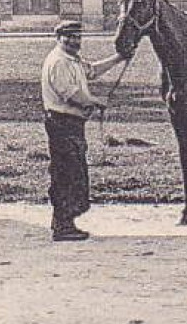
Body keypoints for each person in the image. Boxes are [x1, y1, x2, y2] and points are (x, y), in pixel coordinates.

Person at [40, 20, 129, 241]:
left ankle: (64, 221)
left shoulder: (72, 59)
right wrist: (94, 102)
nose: (74, 41)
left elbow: (92, 71)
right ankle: (63, 226)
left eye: (77, 37)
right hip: (62, 124)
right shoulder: (59, 62)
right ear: (58, 38)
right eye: (69, 37)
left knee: (74, 172)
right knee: (66, 174)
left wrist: (119, 58)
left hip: (71, 125)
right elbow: (70, 94)